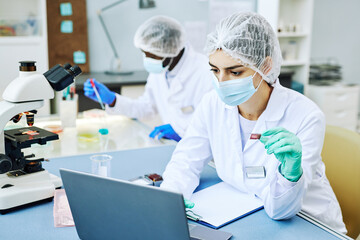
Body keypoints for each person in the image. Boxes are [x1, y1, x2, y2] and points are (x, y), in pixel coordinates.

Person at [160, 12, 346, 233]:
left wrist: (290, 175)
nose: (221, 82)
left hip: (310, 224)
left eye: (235, 72)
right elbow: (186, 159)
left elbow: (282, 210)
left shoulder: (305, 116)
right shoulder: (212, 104)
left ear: (266, 66)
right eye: (214, 70)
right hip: (250, 211)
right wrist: (171, 198)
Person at [84, 16, 213, 142]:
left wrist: (181, 131)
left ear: (170, 50)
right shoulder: (161, 69)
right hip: (174, 148)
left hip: (205, 153)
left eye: (151, 55)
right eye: (144, 53)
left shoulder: (206, 73)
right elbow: (147, 107)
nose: (147, 59)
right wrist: (113, 100)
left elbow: (212, 122)